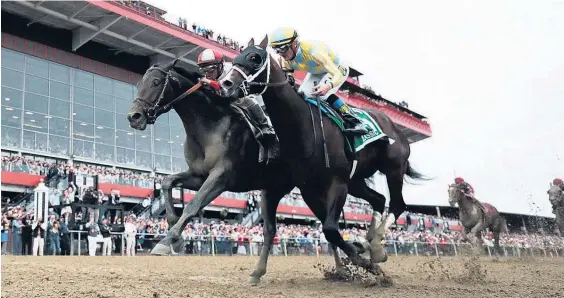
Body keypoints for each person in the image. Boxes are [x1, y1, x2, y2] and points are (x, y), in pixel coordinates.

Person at [269, 27, 369, 135]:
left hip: (336, 69)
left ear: (294, 44)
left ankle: (356, 122)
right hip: (317, 72)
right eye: (276, 50)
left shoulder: (314, 52)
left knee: (323, 94)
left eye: (282, 49)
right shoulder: (284, 59)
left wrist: (328, 86)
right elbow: (288, 77)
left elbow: (337, 74)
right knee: (302, 94)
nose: (280, 53)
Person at [196, 49, 278, 158]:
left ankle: (266, 128)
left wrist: (211, 83)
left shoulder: (232, 71)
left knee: (245, 100)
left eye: (210, 70)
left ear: (220, 66)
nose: (207, 74)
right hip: (227, 99)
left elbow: (230, 92)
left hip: (250, 98)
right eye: (204, 70)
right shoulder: (209, 76)